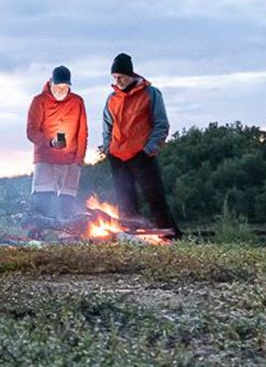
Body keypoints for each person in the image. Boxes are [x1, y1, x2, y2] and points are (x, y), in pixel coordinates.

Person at [96, 52, 180, 237]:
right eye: (114, 77)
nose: (117, 80)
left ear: (130, 75)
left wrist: (149, 150)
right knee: (126, 203)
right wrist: (108, 148)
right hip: (118, 158)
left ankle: (173, 239)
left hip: (142, 157)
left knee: (156, 200)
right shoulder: (112, 99)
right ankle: (131, 240)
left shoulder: (151, 93)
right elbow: (107, 127)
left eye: (121, 76)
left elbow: (161, 125)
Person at [26, 65, 87, 219]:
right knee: (42, 201)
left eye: (65, 87)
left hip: (71, 161)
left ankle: (66, 236)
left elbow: (82, 132)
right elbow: (31, 132)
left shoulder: (77, 102)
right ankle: (36, 236)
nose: (61, 90)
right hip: (45, 159)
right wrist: (50, 142)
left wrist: (79, 160)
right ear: (51, 83)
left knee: (66, 205)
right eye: (58, 86)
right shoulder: (39, 101)